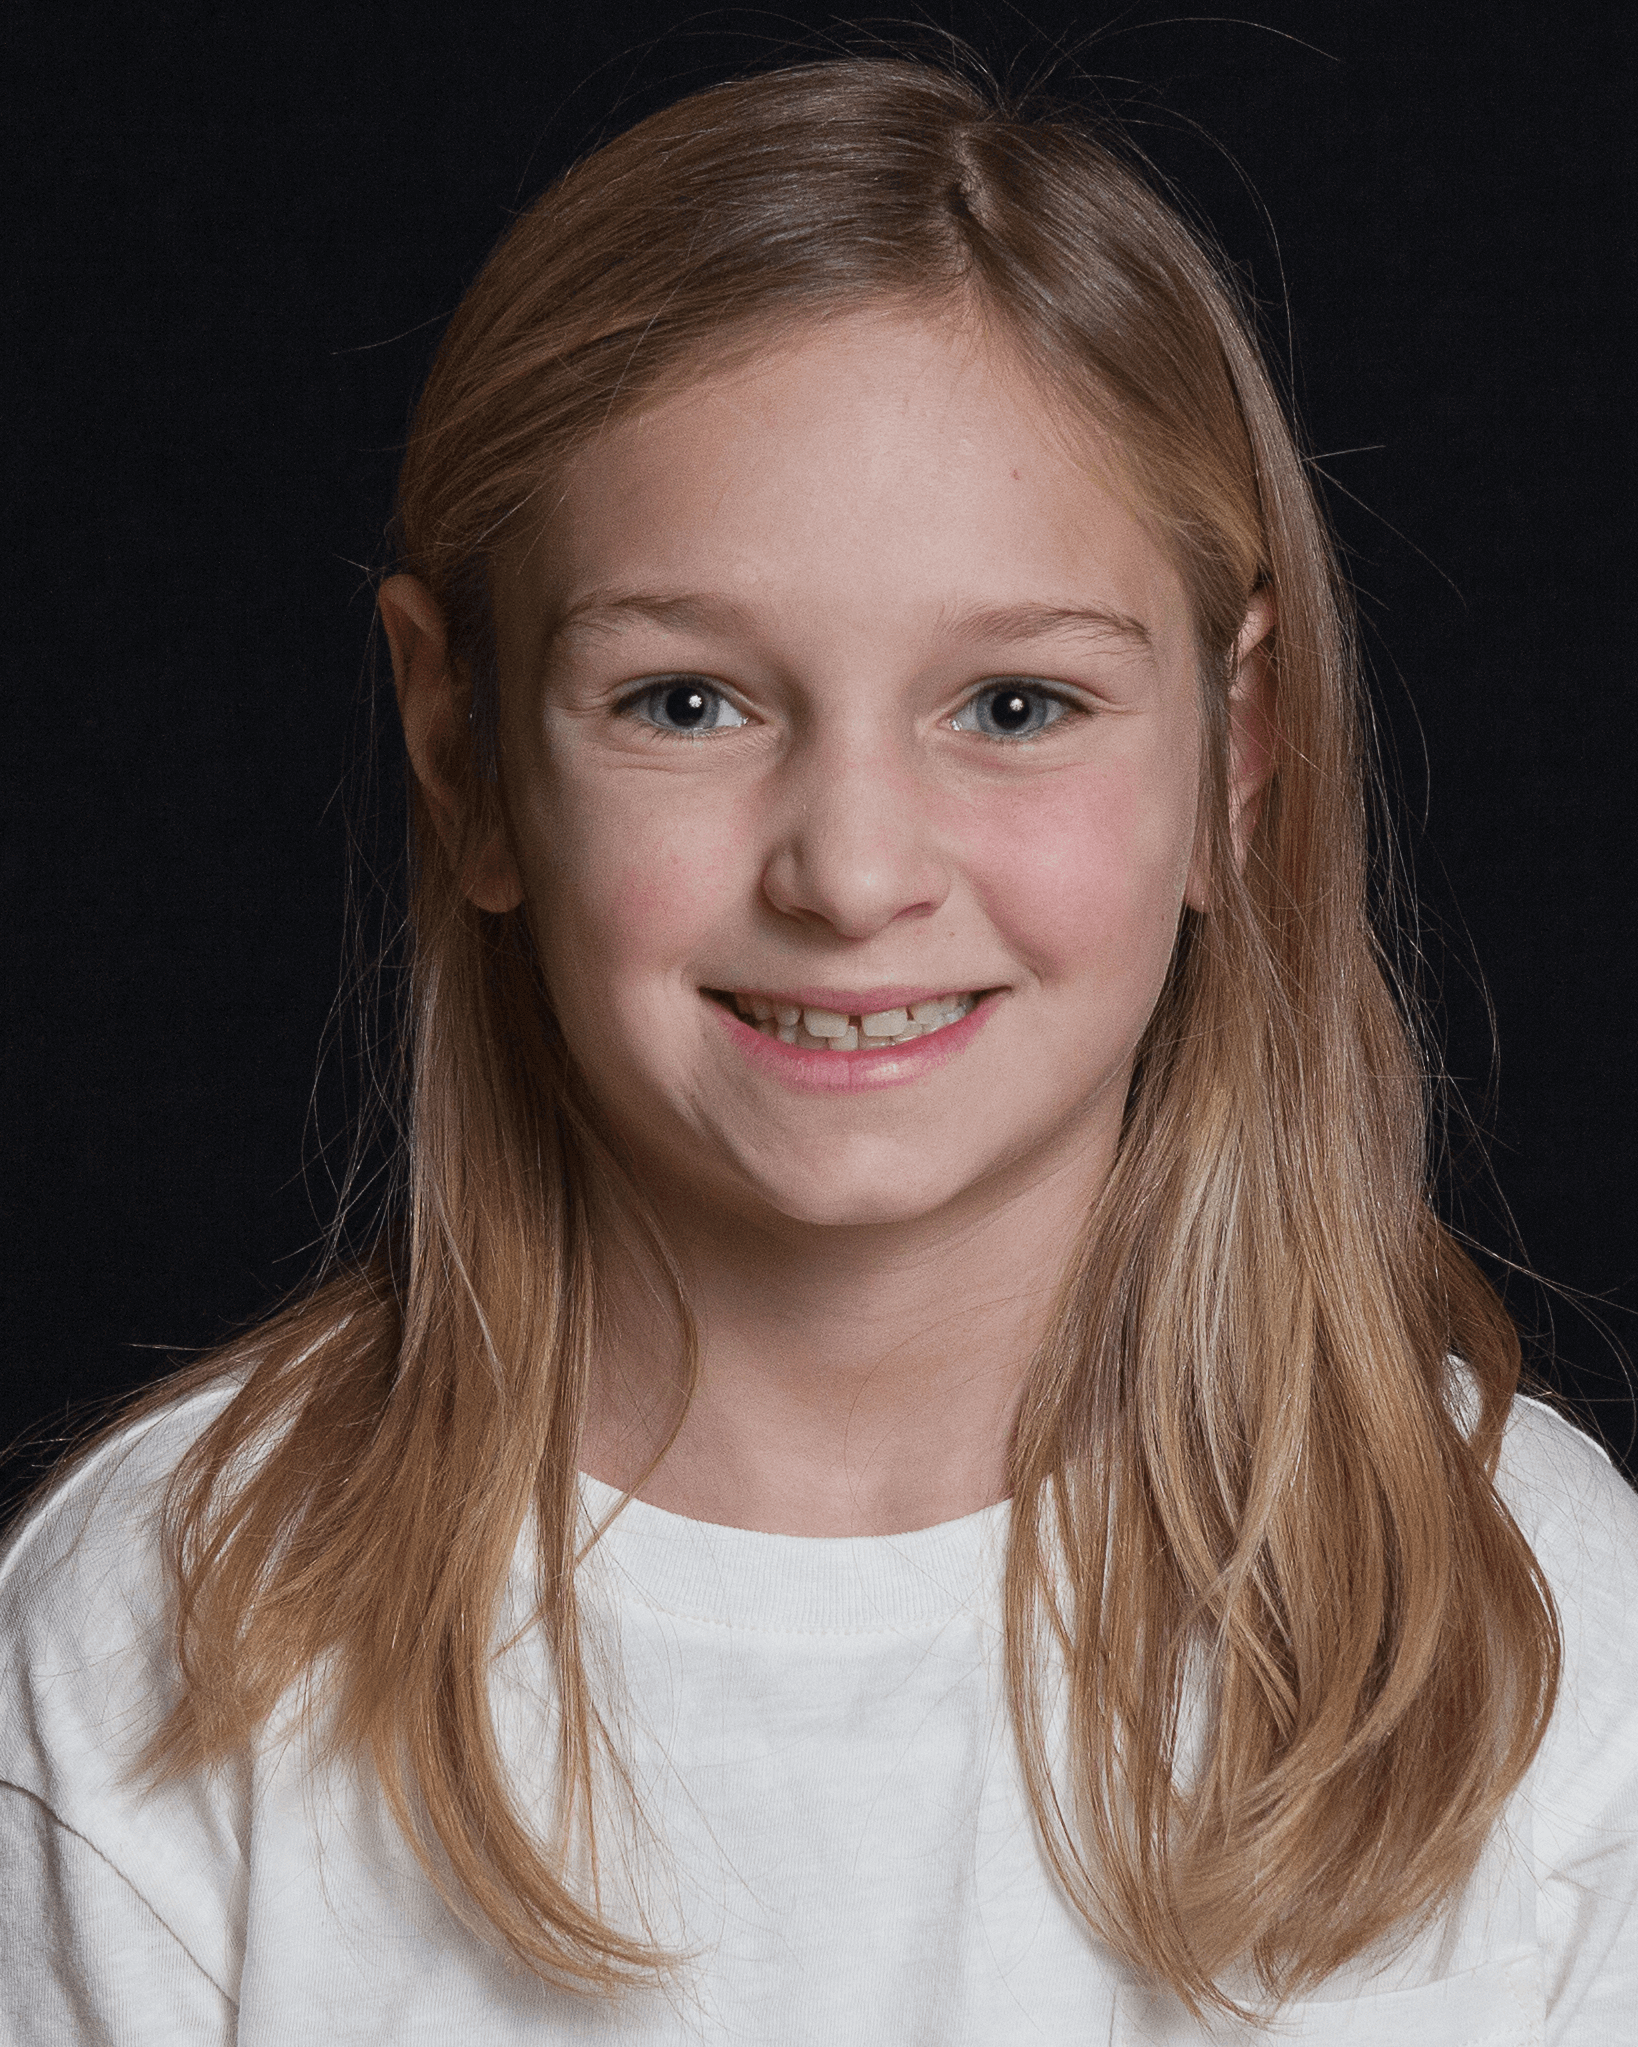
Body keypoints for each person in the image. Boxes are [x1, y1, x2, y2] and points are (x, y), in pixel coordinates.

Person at [1, 53, 1633, 2045]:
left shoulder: (1534, 1624)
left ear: (1239, 756)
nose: (852, 874)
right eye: (687, 702)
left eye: (1014, 705)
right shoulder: (162, 1643)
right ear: (464, 748)